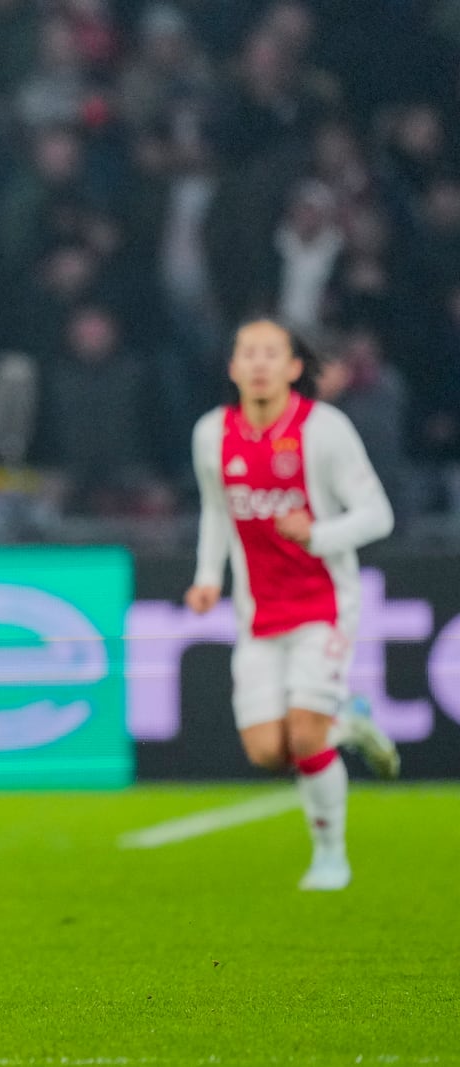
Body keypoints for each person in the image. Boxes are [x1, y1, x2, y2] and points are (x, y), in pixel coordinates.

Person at [185, 318, 400, 892]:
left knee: (305, 737)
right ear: (232, 367)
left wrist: (318, 535)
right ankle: (348, 722)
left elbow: (379, 514)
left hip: (324, 604)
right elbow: (215, 510)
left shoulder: (323, 429)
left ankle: (331, 857)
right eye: (247, 353)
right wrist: (208, 576)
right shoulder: (212, 434)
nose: (258, 363)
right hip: (257, 615)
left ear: (293, 368)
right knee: (265, 751)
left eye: (270, 354)